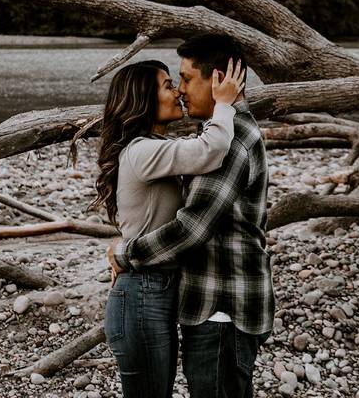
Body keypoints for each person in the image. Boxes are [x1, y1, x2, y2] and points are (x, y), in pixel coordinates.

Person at [110, 34, 274, 398]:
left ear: (217, 80)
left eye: (185, 79)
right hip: (216, 307)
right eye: (174, 82)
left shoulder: (230, 141)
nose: (181, 90)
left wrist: (125, 252)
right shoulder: (222, 133)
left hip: (221, 309)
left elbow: (190, 230)